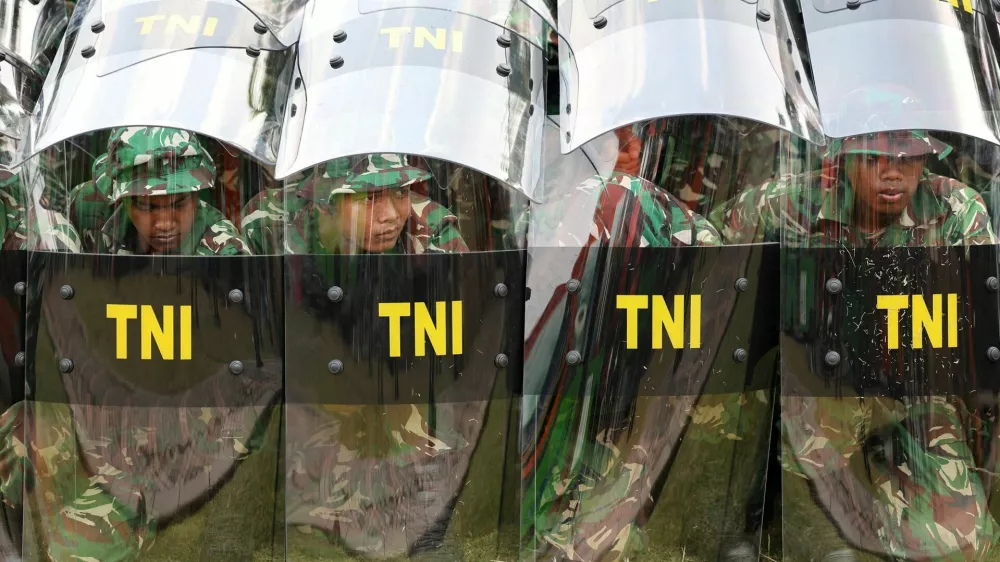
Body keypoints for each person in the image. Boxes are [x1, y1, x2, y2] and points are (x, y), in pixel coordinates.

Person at [717, 129, 998, 560]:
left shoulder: (956, 210)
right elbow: (710, 243)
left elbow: (982, 313)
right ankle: (795, 511)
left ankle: (881, 495)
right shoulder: (793, 201)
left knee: (960, 545)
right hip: (814, 385)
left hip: (913, 390)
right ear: (844, 159)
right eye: (874, 159)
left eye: (908, 158)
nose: (892, 173)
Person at [241, 153, 468, 255]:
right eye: (369, 197)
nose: (390, 215)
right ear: (323, 202)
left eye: (400, 192)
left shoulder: (433, 227)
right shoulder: (268, 221)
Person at [74, 126, 250, 256]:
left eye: (180, 203)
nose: (165, 224)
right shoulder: (87, 207)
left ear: (196, 195)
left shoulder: (227, 251)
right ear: (122, 199)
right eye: (146, 206)